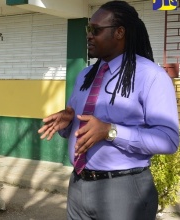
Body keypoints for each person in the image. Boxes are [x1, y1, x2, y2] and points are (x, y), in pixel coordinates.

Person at [38, 1, 179, 220]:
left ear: (119, 33)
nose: (89, 36)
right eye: (88, 29)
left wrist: (111, 131)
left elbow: (168, 140)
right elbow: (81, 122)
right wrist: (68, 120)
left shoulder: (151, 76)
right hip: (78, 185)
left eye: (96, 30)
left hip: (124, 190)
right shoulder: (86, 75)